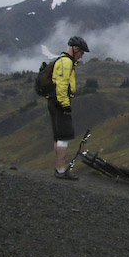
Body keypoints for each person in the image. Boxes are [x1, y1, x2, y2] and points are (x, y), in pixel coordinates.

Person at [50, 35, 89, 180]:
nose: (82, 56)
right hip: (60, 102)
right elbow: (61, 86)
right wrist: (65, 106)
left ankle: (59, 168)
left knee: (58, 136)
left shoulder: (62, 61)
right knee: (63, 136)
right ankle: (61, 170)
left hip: (54, 102)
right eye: (81, 52)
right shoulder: (66, 62)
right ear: (75, 49)